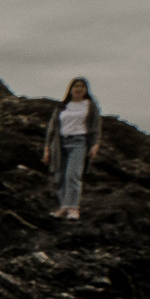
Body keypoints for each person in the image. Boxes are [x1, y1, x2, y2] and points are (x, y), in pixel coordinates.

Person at [42, 77, 101, 219]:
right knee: (59, 177)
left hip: (79, 143)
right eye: (76, 86)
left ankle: (74, 209)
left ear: (86, 90)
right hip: (60, 143)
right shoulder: (62, 106)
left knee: (72, 175)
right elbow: (52, 128)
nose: (79, 89)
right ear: (71, 89)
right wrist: (47, 148)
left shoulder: (90, 105)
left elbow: (95, 126)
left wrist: (95, 144)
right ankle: (64, 207)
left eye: (82, 86)